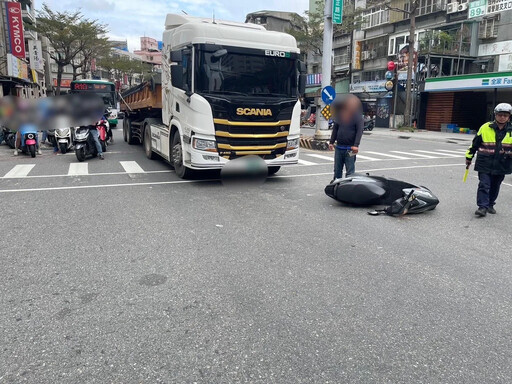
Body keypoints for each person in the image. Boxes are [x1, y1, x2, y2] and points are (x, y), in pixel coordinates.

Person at [466, 103, 512, 217]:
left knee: (495, 185)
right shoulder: (485, 127)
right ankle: (482, 207)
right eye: (500, 115)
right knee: (484, 184)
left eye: (505, 115)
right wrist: (469, 157)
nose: (502, 117)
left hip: (502, 163)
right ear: (495, 115)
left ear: (509, 117)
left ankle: (490, 204)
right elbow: (475, 143)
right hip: (485, 162)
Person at [328, 95, 364, 180]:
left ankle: (348, 189)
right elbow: (335, 129)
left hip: (350, 149)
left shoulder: (358, 117)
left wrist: (356, 145)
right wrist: (331, 142)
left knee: (350, 172)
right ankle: (336, 187)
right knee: (337, 170)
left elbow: (359, 131)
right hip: (339, 148)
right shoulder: (340, 115)